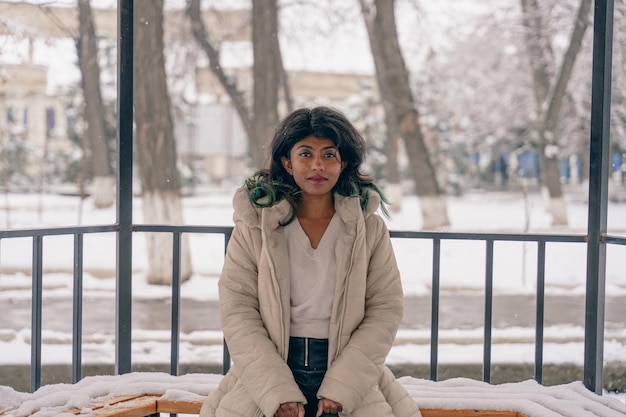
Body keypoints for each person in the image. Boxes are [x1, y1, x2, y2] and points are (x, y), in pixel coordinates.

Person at [200, 106, 422, 417]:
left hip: (347, 370)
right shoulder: (255, 225)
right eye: (305, 154)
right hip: (271, 370)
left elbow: (385, 308)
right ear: (286, 162)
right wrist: (276, 389)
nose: (318, 164)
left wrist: (343, 387)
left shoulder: (368, 229)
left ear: (343, 163)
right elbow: (237, 308)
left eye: (329, 155)